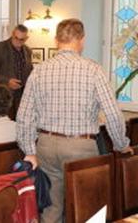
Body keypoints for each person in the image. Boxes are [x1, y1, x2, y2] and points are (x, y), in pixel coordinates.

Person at [16, 19, 133, 223]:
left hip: (46, 145)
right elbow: (113, 114)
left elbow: (24, 115)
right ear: (82, 40)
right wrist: (121, 144)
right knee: (86, 209)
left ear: (56, 40)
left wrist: (29, 151)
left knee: (51, 209)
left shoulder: (39, 70)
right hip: (81, 147)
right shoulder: (93, 70)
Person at [0, 24, 33, 120]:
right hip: (1, 100)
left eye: (21, 39)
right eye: (16, 38)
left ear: (26, 38)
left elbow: (29, 72)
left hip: (21, 99)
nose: (18, 41)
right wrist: (7, 81)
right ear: (12, 34)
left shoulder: (28, 51)